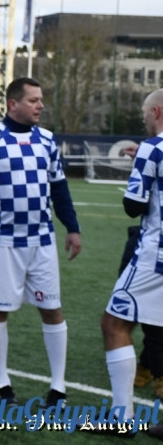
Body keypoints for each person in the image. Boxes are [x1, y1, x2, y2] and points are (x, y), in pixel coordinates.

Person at [0, 77, 82, 408]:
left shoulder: (47, 140)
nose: (40, 105)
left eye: (41, 100)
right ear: (13, 104)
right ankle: (2, 385)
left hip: (41, 242)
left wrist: (72, 227)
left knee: (52, 308)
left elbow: (59, 188)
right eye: (33, 100)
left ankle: (58, 388)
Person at [101, 88, 163, 428]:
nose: (144, 120)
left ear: (155, 112)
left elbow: (132, 207)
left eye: (144, 115)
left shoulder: (153, 148)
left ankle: (121, 416)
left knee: (114, 323)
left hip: (157, 254)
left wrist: (141, 169)